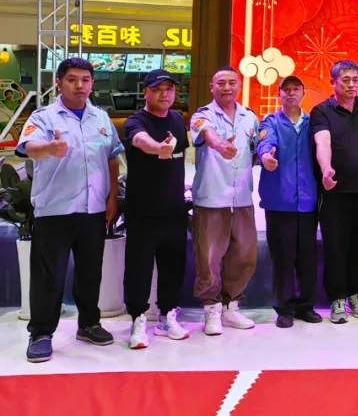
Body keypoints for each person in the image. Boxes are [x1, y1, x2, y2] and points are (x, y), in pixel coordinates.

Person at [17, 57, 123, 363]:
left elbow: (112, 157)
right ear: (59, 83)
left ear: (92, 84)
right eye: (72, 79)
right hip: (55, 210)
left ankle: (88, 324)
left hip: (93, 209)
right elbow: (29, 147)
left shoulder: (101, 118)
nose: (80, 86)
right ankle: (41, 333)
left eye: (85, 80)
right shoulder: (44, 116)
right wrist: (50, 148)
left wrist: (112, 197)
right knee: (49, 276)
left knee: (90, 272)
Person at [122, 69, 191, 349]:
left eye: (169, 89)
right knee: (138, 268)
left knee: (173, 267)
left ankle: (167, 316)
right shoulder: (135, 121)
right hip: (143, 211)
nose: (165, 94)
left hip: (174, 209)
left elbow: (180, 155)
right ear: (146, 92)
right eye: (158, 89)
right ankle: (138, 319)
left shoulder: (177, 119)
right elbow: (140, 140)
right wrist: (156, 148)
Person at [190, 67, 260, 335]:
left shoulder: (249, 117)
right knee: (208, 257)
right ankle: (211, 308)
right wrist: (220, 145)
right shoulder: (202, 115)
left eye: (232, 83)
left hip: (242, 198)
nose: (227, 87)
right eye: (221, 83)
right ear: (212, 87)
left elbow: (256, 150)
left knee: (245, 254)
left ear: (239, 86)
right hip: (212, 198)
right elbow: (207, 133)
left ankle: (231, 306)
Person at [311, 59, 358, 324]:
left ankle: (355, 293)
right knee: (336, 247)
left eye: (355, 79)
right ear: (333, 83)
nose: (351, 85)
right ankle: (337, 298)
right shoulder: (322, 111)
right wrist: (326, 170)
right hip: (335, 193)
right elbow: (323, 142)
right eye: (345, 80)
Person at [256, 76, 322, 328]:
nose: (291, 93)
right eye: (286, 90)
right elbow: (265, 142)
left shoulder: (313, 122)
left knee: (307, 257)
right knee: (282, 257)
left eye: (296, 89)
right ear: (279, 94)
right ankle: (284, 308)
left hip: (308, 201)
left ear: (303, 93)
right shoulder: (271, 121)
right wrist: (266, 156)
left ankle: (306, 306)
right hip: (279, 201)